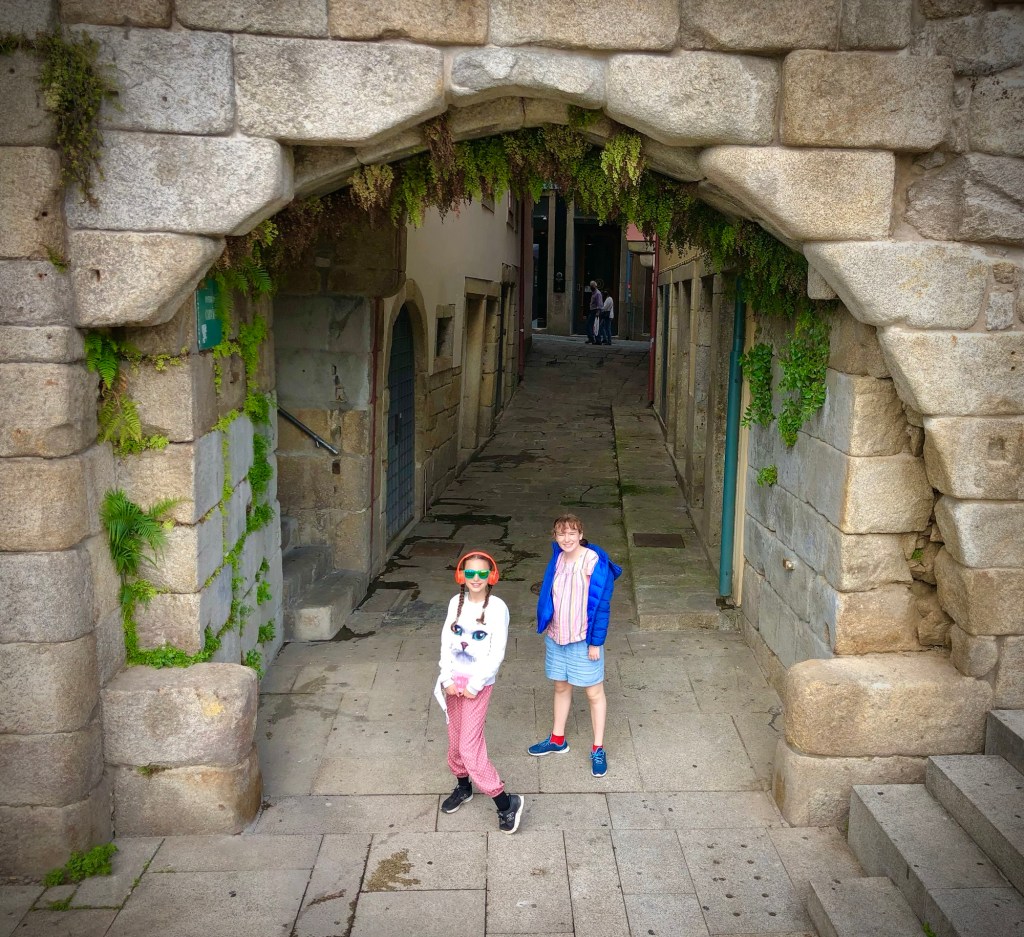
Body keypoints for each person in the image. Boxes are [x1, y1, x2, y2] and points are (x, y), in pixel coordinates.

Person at [433, 551, 524, 833]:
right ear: (461, 575)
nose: (475, 578)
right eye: (470, 573)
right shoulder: (455, 603)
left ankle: (506, 803)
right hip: (452, 682)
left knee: (469, 747)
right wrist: (446, 677)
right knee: (455, 739)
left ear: (491, 576)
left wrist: (474, 684)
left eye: (482, 573)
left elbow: (497, 652)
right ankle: (463, 786)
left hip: (477, 686)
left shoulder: (497, 608)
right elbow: (446, 641)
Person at [529, 514, 622, 777]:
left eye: (572, 533)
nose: (567, 538)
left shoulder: (592, 562)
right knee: (560, 686)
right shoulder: (557, 558)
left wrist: (596, 643)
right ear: (555, 536)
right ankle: (557, 739)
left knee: (594, 693)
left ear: (581, 535)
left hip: (583, 639)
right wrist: (545, 621)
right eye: (561, 533)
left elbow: (601, 606)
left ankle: (598, 748)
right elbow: (550, 593)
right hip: (557, 636)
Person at [585, 280, 603, 344]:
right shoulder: (593, 293)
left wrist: (598, 312)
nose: (591, 287)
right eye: (590, 286)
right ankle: (593, 338)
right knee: (592, 325)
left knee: (594, 325)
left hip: (596, 311)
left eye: (592, 286)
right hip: (593, 311)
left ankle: (596, 339)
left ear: (595, 286)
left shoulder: (598, 293)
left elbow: (599, 304)